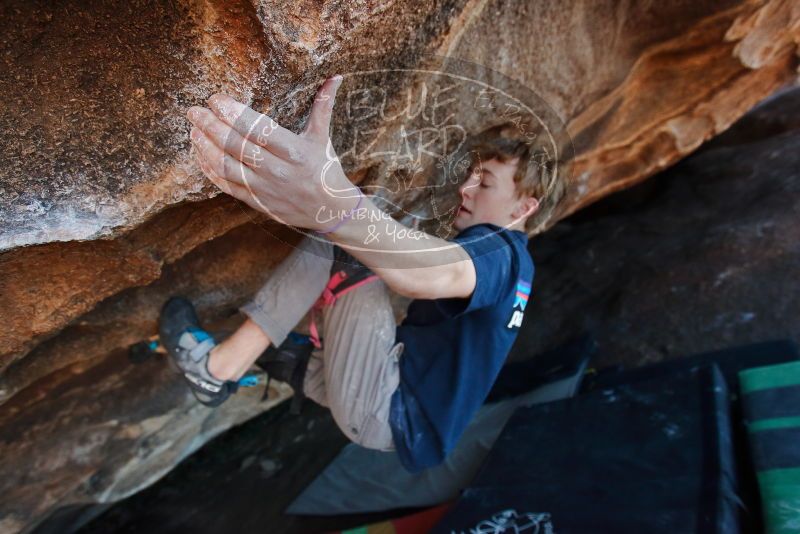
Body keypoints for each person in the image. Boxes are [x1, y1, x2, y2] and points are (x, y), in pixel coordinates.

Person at [163, 76, 564, 472]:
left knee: (351, 242)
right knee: (283, 348)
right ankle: (260, 355)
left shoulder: (499, 252)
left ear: (524, 208)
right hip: (396, 410)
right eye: (471, 176)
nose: (466, 189)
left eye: (486, 183)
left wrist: (338, 205)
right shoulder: (517, 269)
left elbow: (435, 275)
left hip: (386, 404)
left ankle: (217, 369)